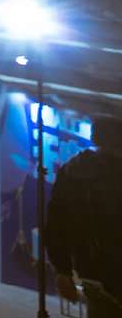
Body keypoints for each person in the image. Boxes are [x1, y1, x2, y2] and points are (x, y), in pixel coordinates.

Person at [47, 116, 119, 316]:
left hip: (93, 273)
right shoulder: (81, 172)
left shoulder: (73, 170)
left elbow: (55, 225)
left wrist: (62, 270)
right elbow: (57, 224)